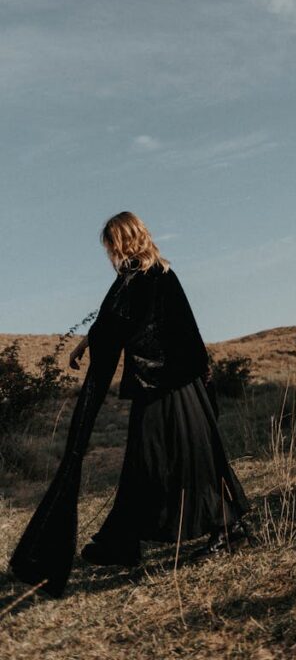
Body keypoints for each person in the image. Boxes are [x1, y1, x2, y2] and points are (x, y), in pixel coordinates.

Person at [10, 212, 249, 598]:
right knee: (148, 460)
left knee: (180, 459)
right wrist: (88, 342)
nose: (109, 253)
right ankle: (123, 539)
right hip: (161, 382)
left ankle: (226, 529)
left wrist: (92, 343)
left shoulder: (147, 274)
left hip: (168, 385)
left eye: (110, 244)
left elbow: (139, 326)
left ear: (122, 240)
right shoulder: (142, 275)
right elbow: (112, 322)